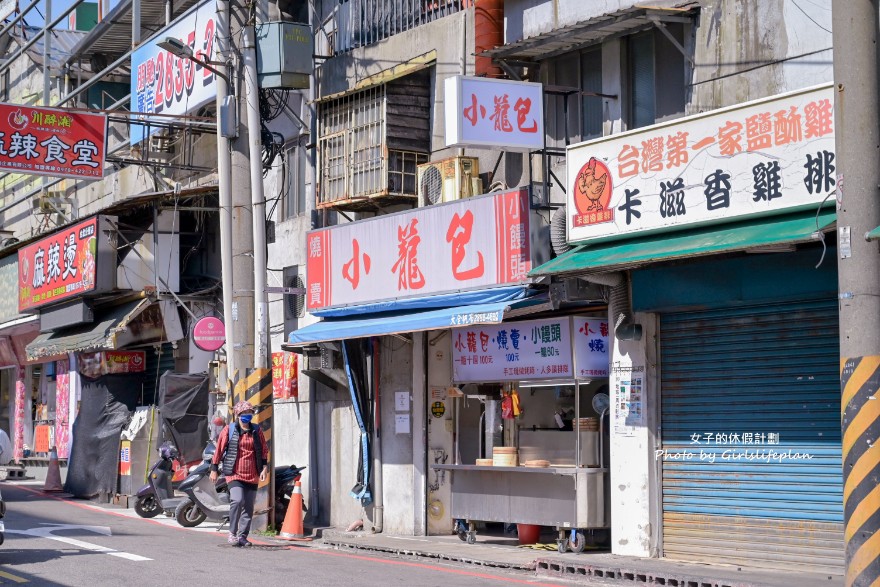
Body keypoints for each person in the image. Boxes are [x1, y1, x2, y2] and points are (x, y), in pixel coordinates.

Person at [210, 401, 269, 547]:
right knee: (237, 500)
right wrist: (214, 469)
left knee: (248, 506)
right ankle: (232, 533)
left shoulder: (256, 430)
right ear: (237, 415)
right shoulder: (228, 430)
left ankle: (243, 536)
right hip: (234, 473)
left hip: (253, 473)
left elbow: (263, 450)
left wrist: (264, 467)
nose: (247, 416)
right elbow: (219, 450)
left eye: (249, 413)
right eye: (244, 414)